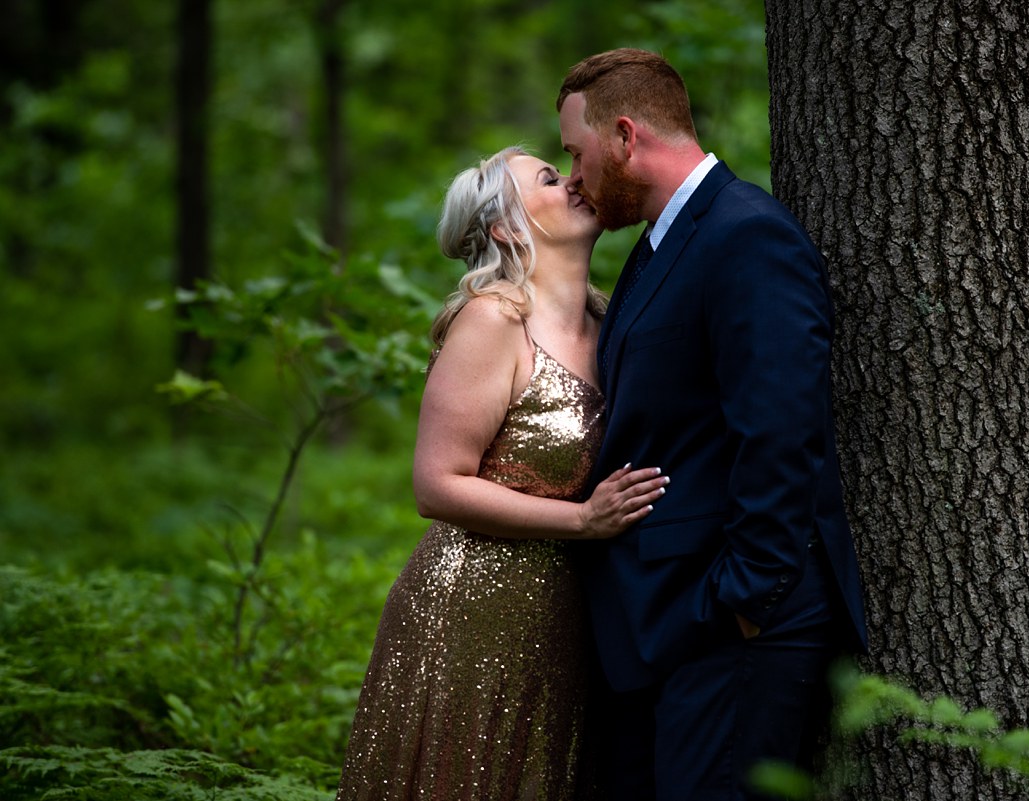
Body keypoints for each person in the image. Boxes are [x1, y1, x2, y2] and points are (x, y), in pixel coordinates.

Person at [556, 49, 870, 800]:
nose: (573, 176)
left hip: (734, 626)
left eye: (578, 151)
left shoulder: (746, 234)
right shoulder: (664, 240)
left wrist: (744, 599)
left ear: (627, 135)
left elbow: (781, 427)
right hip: (670, 623)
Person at [334, 145, 669, 801]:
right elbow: (437, 484)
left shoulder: (614, 322)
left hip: (574, 616)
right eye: (549, 177)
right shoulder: (494, 320)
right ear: (506, 227)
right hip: (471, 610)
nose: (573, 179)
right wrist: (583, 518)